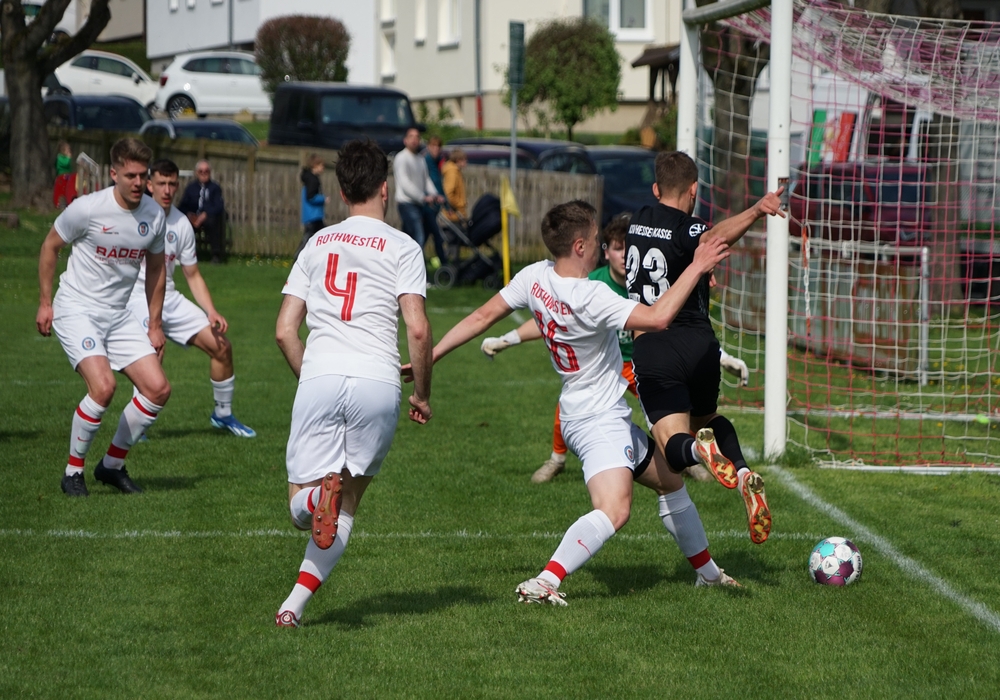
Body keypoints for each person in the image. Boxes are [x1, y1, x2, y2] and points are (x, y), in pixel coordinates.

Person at [411, 200, 739, 606]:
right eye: (598, 239)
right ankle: (544, 581)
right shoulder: (591, 296)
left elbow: (481, 318)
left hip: (586, 411)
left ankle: (709, 575)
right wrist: (697, 264)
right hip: (597, 420)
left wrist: (430, 356)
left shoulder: (534, 276)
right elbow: (658, 318)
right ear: (580, 246)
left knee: (671, 482)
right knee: (615, 510)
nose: (602, 247)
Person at [274, 139, 434, 627]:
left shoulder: (317, 243)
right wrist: (422, 393)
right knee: (345, 505)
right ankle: (292, 608)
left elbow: (284, 331)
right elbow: (418, 329)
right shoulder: (403, 246)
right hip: (378, 381)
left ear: (342, 192)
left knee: (301, 507)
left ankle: (312, 500)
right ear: (385, 189)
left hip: (321, 373)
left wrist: (312, 377)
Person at [481, 215, 748, 484]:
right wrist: (508, 339)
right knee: (567, 406)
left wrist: (721, 356)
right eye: (617, 249)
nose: (623, 256)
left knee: (670, 406)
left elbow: (679, 330)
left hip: (641, 363)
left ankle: (689, 456)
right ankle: (556, 460)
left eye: (628, 249)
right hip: (608, 365)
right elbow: (552, 319)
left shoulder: (651, 281)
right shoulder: (592, 285)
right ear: (606, 253)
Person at [625, 151, 783, 545]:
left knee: (673, 448)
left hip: (655, 345)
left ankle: (700, 451)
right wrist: (756, 210)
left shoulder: (637, 220)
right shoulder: (687, 228)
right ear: (694, 189)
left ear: (656, 188)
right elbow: (710, 238)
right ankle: (743, 473)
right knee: (707, 416)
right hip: (701, 347)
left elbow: (699, 243)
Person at [36, 138, 170, 497]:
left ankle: (111, 466)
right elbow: (50, 246)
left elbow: (157, 269)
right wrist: (45, 303)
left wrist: (155, 325)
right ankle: (73, 473)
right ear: (114, 174)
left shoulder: (154, 215)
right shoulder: (87, 209)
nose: (138, 183)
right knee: (104, 387)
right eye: (130, 176)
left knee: (157, 389)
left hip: (119, 315)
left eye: (143, 176)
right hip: (77, 308)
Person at [127, 159, 256, 438]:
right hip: (136, 297)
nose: (167, 190)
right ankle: (137, 425)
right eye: (161, 183)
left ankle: (223, 414)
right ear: (149, 185)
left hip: (170, 297)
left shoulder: (181, 223)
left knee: (222, 346)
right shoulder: (133, 217)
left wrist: (211, 311)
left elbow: (193, 274)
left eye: (172, 184)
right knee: (152, 352)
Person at [395, 127, 447, 267]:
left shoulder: (420, 159)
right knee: (419, 236)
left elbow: (426, 180)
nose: (414, 139)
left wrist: (435, 195)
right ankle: (419, 271)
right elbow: (405, 183)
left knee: (407, 239)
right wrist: (422, 197)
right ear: (405, 140)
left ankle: (403, 267)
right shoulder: (401, 158)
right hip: (407, 204)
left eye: (417, 137)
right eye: (411, 136)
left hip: (418, 204)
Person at [178, 160, 226, 264]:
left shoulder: (215, 188)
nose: (204, 173)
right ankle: (185, 253)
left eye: (206, 171)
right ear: (196, 173)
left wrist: (205, 214)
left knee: (214, 222)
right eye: (201, 171)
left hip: (208, 217)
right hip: (193, 217)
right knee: (184, 223)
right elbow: (182, 205)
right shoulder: (191, 188)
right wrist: (189, 215)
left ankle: (216, 255)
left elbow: (218, 206)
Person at [296, 154, 329, 258]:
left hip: (314, 215)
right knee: (308, 238)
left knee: (323, 235)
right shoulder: (312, 180)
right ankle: (298, 257)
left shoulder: (310, 178)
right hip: (313, 215)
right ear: (315, 165)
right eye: (321, 165)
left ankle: (319, 257)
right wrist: (323, 199)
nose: (323, 168)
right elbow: (310, 197)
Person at [441, 148, 468, 222]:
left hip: (456, 213)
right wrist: (459, 203)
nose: (466, 161)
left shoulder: (456, 171)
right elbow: (448, 194)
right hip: (453, 214)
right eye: (464, 159)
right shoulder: (452, 173)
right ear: (458, 160)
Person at [53, 140, 76, 208]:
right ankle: (60, 203)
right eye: (67, 149)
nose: (69, 151)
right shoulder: (60, 158)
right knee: (62, 190)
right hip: (62, 176)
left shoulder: (65, 157)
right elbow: (65, 164)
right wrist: (68, 158)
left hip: (67, 176)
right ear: (63, 150)